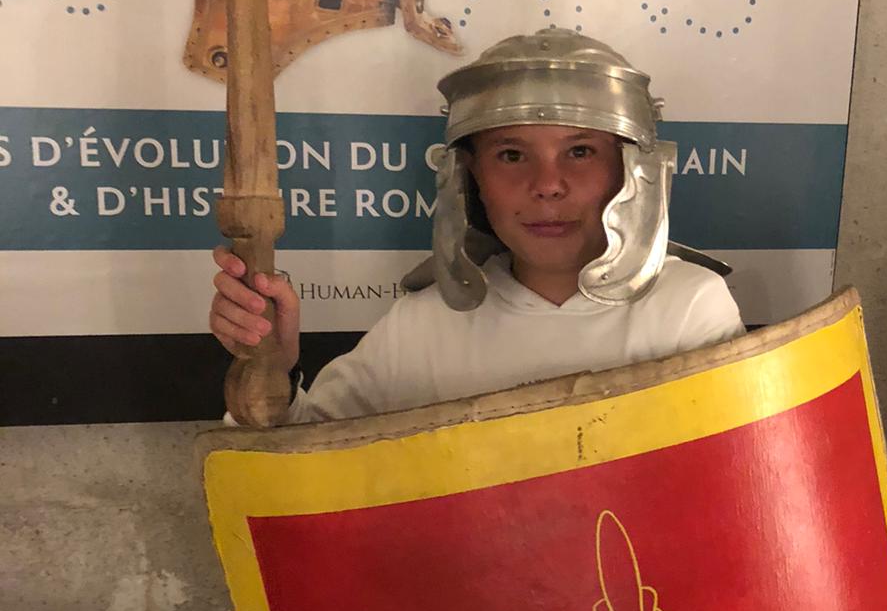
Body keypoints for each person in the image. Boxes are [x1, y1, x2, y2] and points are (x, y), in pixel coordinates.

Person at [209, 30, 744, 423]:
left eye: (580, 151)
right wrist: (272, 369)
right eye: (511, 155)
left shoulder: (687, 309)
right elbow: (298, 467)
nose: (547, 185)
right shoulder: (424, 325)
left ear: (631, 169)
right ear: (470, 177)